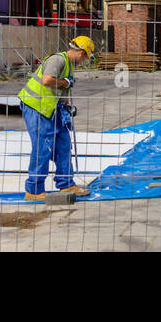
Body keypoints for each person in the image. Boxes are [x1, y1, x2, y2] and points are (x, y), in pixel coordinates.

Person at [18, 36, 95, 201]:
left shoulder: (69, 65)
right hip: (37, 108)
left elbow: (62, 91)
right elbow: (47, 81)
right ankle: (34, 190)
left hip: (53, 110)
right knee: (42, 148)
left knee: (63, 145)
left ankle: (66, 183)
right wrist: (65, 83)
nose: (83, 61)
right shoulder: (58, 60)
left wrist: (66, 106)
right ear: (81, 53)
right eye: (85, 57)